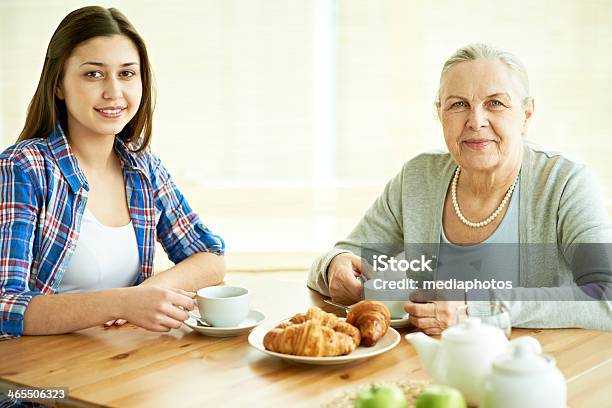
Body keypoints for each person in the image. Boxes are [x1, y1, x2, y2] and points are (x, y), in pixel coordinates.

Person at [308, 43, 612, 334]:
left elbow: (606, 297)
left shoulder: (566, 182)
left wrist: (476, 306)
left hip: (537, 370)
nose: (476, 121)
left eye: (495, 103)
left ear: (526, 114)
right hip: (429, 369)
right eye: (458, 105)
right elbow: (340, 257)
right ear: (440, 114)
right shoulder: (418, 178)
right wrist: (334, 266)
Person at [0, 6, 225, 340]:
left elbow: (210, 260)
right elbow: (5, 306)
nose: (114, 92)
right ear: (58, 84)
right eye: (94, 74)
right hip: (42, 384)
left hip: (123, 367)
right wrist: (122, 302)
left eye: (127, 74)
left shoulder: (142, 166)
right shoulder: (23, 168)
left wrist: (149, 293)